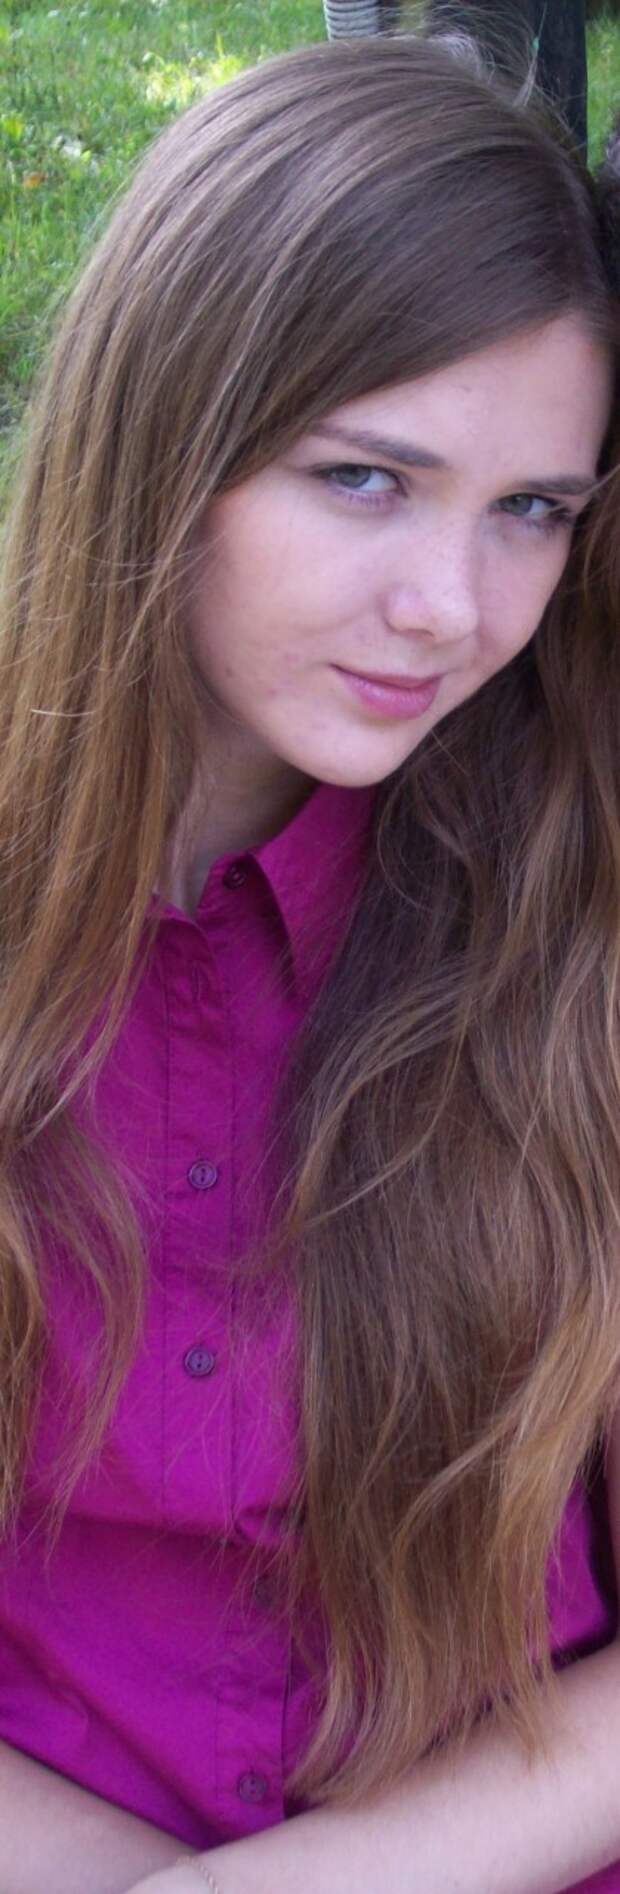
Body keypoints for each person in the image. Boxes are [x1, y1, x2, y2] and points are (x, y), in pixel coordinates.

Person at [1, 27, 620, 1894]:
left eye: (532, 510)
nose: (452, 608)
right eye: (364, 478)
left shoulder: (580, 911)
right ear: (168, 440)